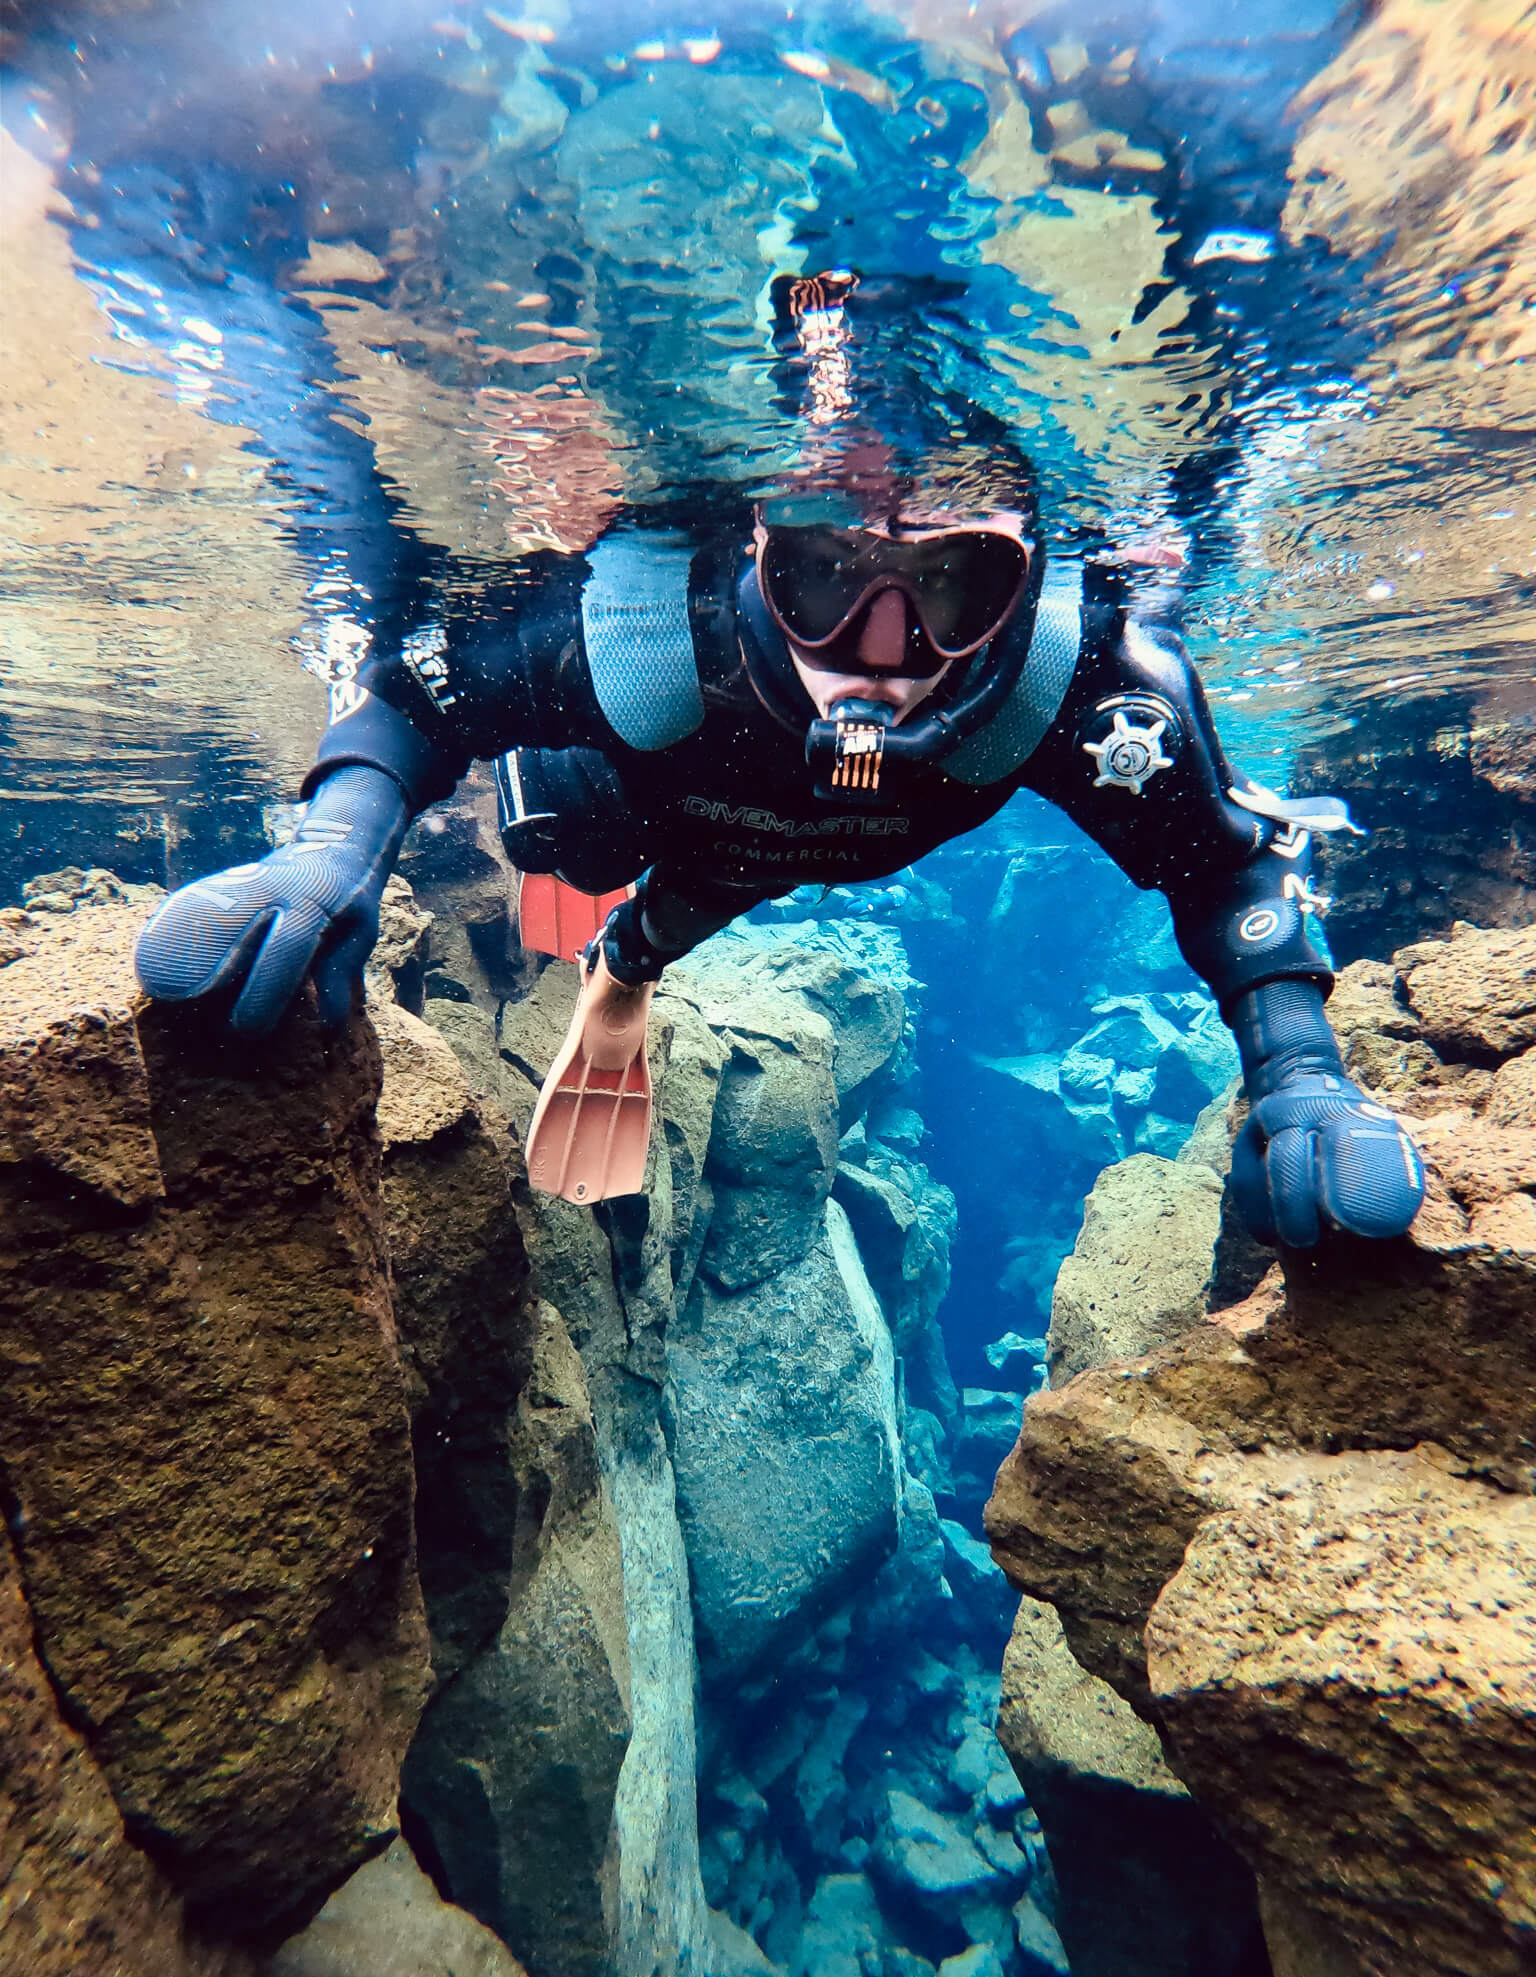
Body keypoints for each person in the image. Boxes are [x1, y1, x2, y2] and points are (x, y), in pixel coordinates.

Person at [134, 270, 1425, 1247]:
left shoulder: (1072, 677)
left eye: (955, 587)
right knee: (577, 841)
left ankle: (625, 964)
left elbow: (1219, 863)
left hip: (776, 849)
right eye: (825, 577)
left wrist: (1299, 1071)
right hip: (673, 802)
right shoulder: (646, 638)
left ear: (1023, 585)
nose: (883, 653)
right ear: (756, 550)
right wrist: (333, 849)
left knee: (723, 880)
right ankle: (617, 954)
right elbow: (415, 700)